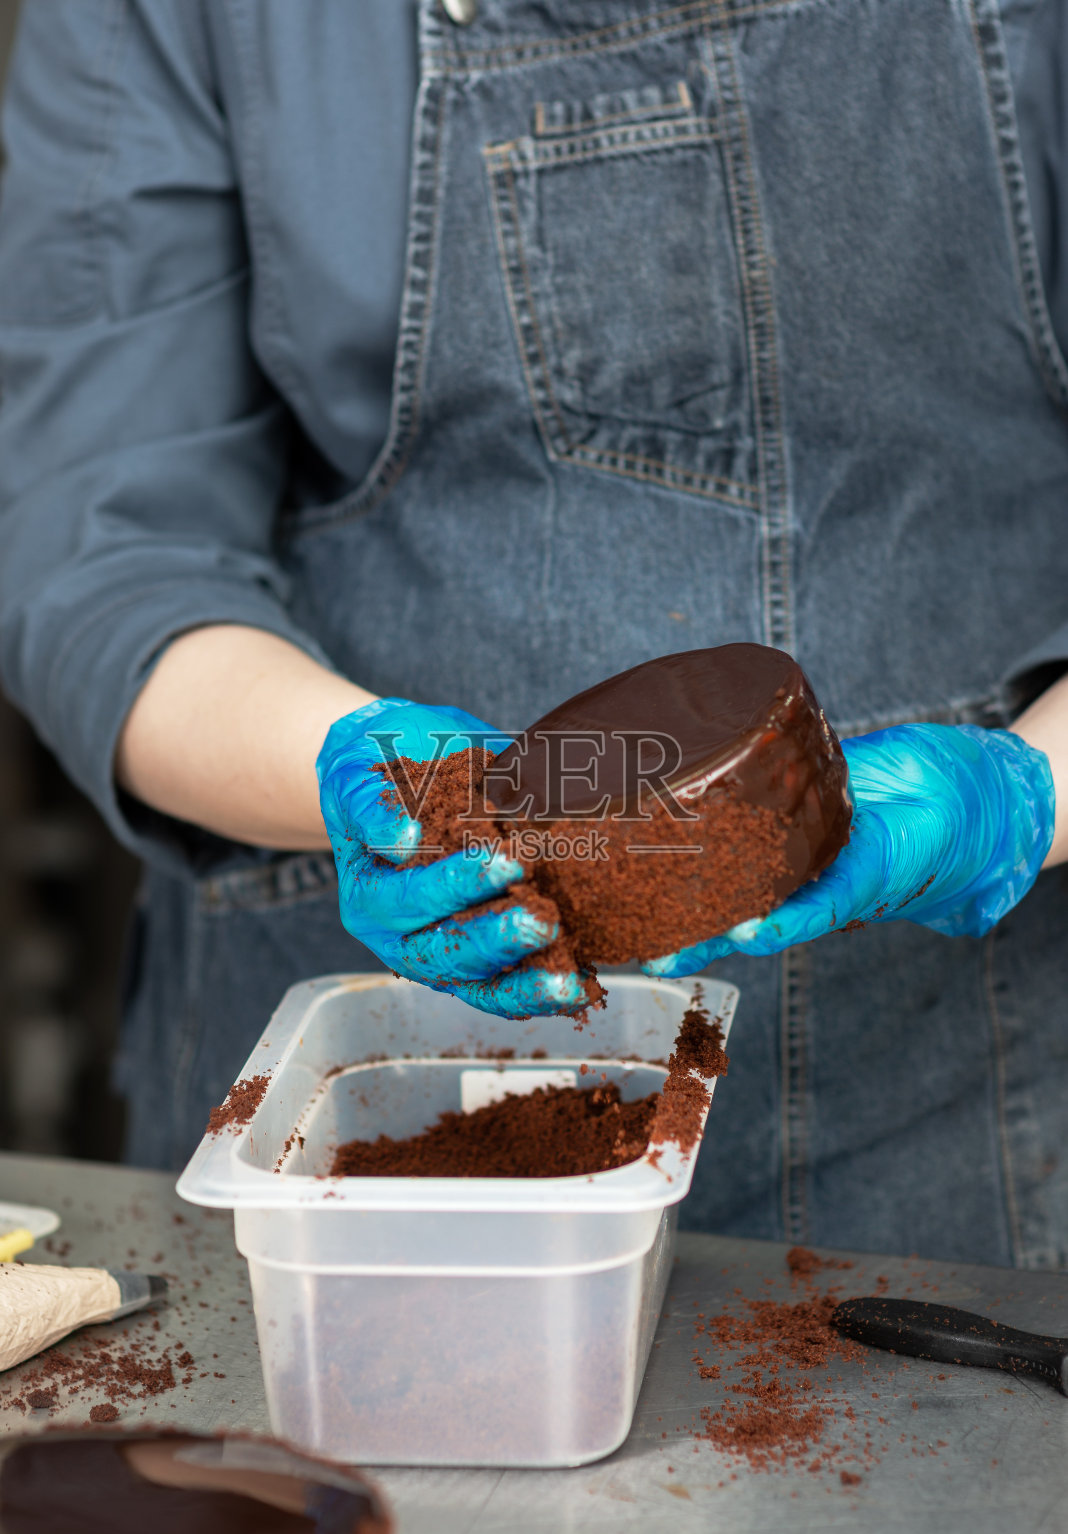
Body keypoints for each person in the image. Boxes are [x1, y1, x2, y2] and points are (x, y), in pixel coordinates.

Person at [0, 1, 1065, 1267]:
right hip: (378, 1111)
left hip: (973, 1118)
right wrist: (377, 781)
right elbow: (106, 552)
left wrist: (1033, 790)